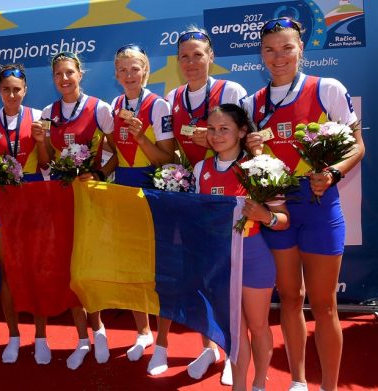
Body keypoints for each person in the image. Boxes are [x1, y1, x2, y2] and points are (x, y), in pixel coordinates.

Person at [242, 17, 364, 391]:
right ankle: (298, 381)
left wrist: (332, 174)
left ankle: (328, 386)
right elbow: (249, 160)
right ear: (261, 54)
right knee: (291, 298)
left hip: (319, 204)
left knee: (325, 305)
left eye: (286, 48)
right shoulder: (251, 103)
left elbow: (358, 145)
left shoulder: (326, 88)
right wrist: (253, 149)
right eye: (269, 49)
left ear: (301, 49)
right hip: (278, 209)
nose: (278, 57)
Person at [154, 27, 248, 383]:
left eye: (198, 55)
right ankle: (209, 347)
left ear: (211, 56)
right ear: (178, 63)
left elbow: (243, 142)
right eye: (184, 57)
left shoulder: (232, 91)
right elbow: (175, 151)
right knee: (201, 277)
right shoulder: (174, 96)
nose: (191, 62)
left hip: (229, 195)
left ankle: (233, 353)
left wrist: (210, 140)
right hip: (196, 195)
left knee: (229, 278)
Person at [196, 104, 290, 391]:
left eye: (224, 128)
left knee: (259, 327)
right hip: (220, 261)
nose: (216, 135)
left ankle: (259, 384)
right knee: (235, 333)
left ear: (242, 131)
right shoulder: (201, 168)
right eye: (212, 129)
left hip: (253, 257)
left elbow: (283, 221)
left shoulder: (260, 167)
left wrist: (266, 216)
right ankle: (240, 387)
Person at [41, 51, 115, 368]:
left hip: (93, 198)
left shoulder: (100, 108)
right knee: (72, 269)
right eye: (58, 74)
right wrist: (41, 141)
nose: (64, 79)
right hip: (63, 198)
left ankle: (99, 331)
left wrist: (98, 174)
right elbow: (45, 162)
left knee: (91, 267)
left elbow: (121, 152)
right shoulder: (47, 112)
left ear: (80, 74)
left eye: (69, 72)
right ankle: (82, 338)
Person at [104, 44, 175, 361]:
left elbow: (168, 158)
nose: (129, 75)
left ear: (145, 70)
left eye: (135, 68)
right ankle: (143, 332)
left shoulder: (158, 106)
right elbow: (111, 157)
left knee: (159, 268)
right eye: (123, 70)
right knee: (132, 267)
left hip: (152, 189)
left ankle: (163, 340)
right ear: (116, 74)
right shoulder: (114, 105)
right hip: (123, 190)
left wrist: (140, 137)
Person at [0, 64, 52, 364]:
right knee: (9, 270)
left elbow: (46, 164)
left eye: (17, 89)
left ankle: (41, 337)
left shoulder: (39, 116)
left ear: (25, 90)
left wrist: (41, 141)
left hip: (35, 196)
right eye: (6, 89)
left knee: (37, 268)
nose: (11, 94)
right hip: (4, 199)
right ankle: (13, 337)